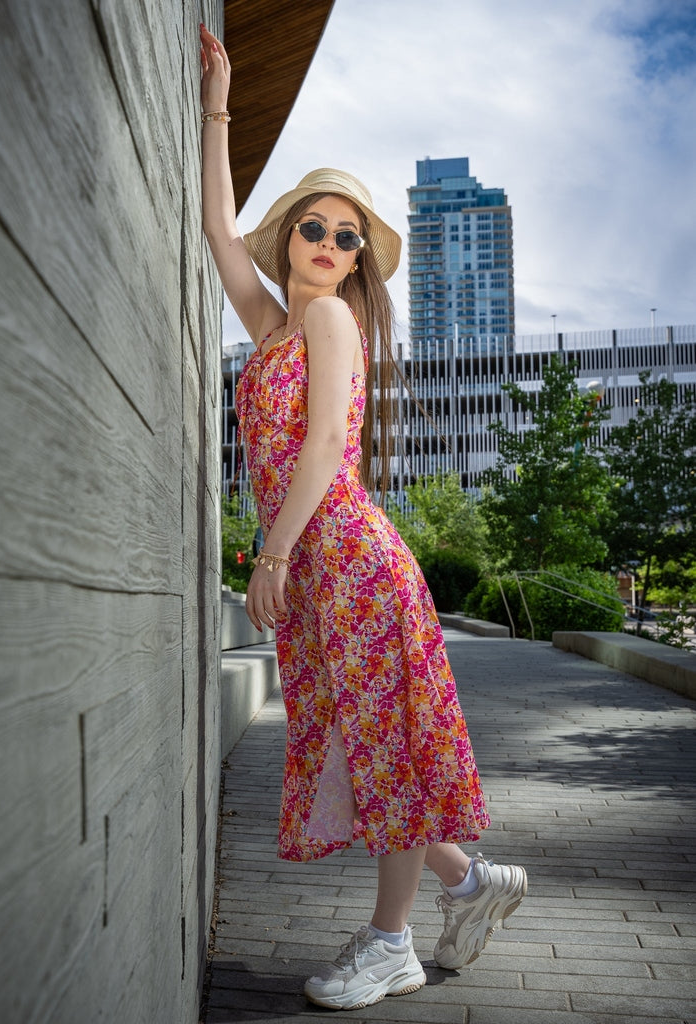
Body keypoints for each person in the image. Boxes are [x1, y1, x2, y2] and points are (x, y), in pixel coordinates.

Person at [199, 24, 527, 1012]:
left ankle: (392, 943)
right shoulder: (272, 330)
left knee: (380, 745)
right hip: (323, 566)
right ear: (291, 236)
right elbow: (219, 231)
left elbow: (320, 447)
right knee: (358, 743)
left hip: (342, 554)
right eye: (318, 228)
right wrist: (217, 107)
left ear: (352, 264)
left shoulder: (333, 319)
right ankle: (474, 883)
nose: (334, 247)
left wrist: (273, 551)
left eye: (349, 238)